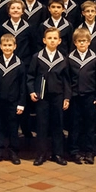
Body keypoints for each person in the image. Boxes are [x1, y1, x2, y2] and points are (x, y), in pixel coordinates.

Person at [28, 27, 71, 166]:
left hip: (58, 96)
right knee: (42, 126)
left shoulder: (63, 58)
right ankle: (41, 154)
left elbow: (67, 80)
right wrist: (31, 91)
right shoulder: (37, 57)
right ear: (44, 40)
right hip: (42, 97)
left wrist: (67, 97)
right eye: (49, 38)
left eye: (55, 38)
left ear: (59, 41)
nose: (52, 41)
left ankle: (57, 154)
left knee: (57, 125)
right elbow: (30, 76)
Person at [0, 34, 26, 165]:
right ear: (0, 46)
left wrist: (21, 103)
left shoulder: (19, 64)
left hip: (13, 102)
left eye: (10, 45)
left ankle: (13, 151)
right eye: (5, 45)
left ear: (15, 46)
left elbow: (22, 86)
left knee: (13, 127)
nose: (7, 48)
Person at [67, 29, 96, 165]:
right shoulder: (70, 58)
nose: (82, 43)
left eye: (84, 41)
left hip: (90, 96)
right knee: (74, 125)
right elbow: (67, 79)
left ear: (89, 42)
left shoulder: (95, 58)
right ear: (75, 42)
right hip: (75, 96)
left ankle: (89, 152)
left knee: (89, 125)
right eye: (79, 41)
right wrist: (68, 96)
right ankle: (74, 151)